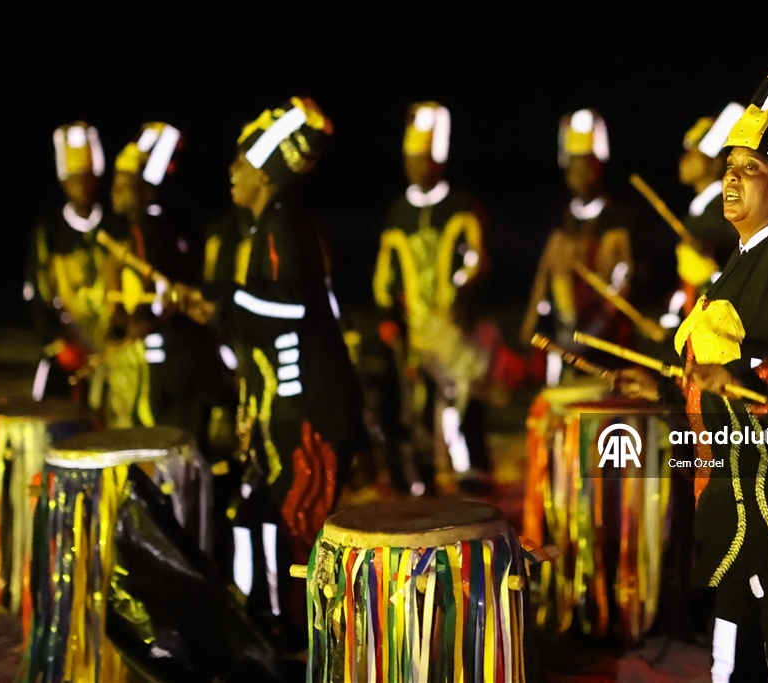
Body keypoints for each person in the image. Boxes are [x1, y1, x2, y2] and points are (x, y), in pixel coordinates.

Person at [618, 71, 768, 682]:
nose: (731, 175)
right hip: (744, 508)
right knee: (730, 661)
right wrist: (669, 386)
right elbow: (718, 367)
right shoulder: (744, 260)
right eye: (730, 162)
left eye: (752, 166)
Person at [168, 97, 370, 647]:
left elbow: (292, 309)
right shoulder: (259, 230)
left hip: (306, 415)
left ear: (267, 173)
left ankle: (309, 644)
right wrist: (214, 307)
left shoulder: (285, 226)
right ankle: (264, 627)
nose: (231, 171)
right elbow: (257, 311)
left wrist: (222, 303)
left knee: (298, 535)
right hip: (274, 414)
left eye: (242, 162)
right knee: (253, 520)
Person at [372, 101, 492, 494]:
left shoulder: (461, 204)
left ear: (438, 161)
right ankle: (421, 477)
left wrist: (461, 287)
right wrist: (387, 311)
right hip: (414, 331)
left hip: (453, 329)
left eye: (423, 159)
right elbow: (386, 271)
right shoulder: (397, 211)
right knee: (416, 408)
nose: (415, 167)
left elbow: (476, 256)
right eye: (410, 159)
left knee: (460, 402)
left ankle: (468, 473)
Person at [107, 122, 236, 457]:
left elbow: (153, 288)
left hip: (172, 361)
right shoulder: (173, 223)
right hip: (194, 355)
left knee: (169, 447)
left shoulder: (144, 227)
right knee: (190, 446)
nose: (115, 194)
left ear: (145, 189)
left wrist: (133, 318)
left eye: (124, 186)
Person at [520, 108, 635, 385]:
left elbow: (625, 279)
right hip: (563, 343)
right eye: (573, 164)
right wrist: (531, 324)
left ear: (599, 165)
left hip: (606, 346)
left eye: (586, 163)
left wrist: (596, 327)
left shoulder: (616, 222)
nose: (579, 172)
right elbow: (544, 278)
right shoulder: (561, 223)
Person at [25, 121, 126, 404]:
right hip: (66, 353)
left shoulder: (115, 226)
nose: (81, 184)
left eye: (87, 176)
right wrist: (57, 342)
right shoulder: (50, 230)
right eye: (74, 177)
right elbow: (37, 292)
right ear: (62, 181)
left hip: (114, 353)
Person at [662, 103, 744, 328]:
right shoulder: (698, 210)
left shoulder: (727, 208)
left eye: (693, 151)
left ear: (717, 161)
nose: (684, 159)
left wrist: (712, 248)